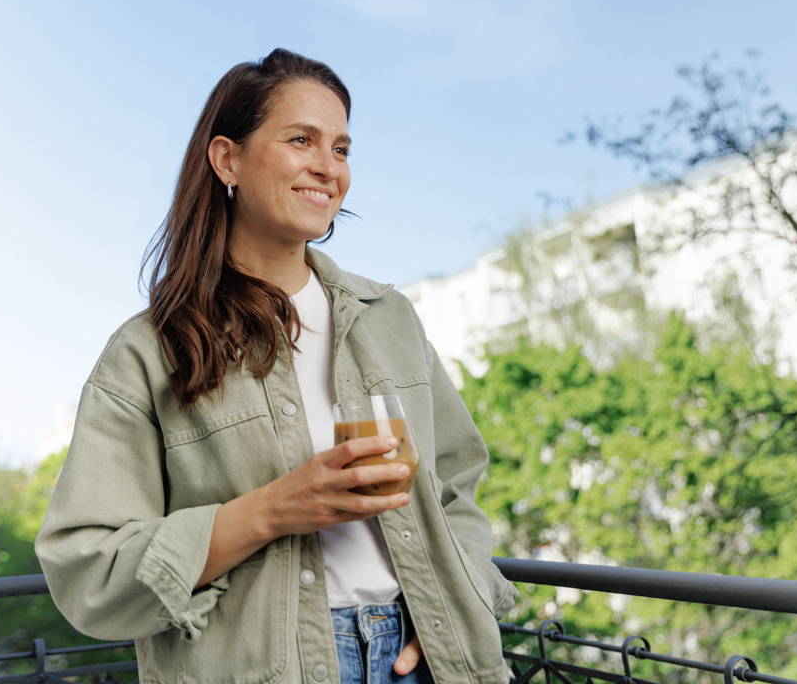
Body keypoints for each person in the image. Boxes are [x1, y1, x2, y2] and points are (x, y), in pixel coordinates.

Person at [36, 49, 517, 683]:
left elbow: (455, 487)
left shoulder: (388, 317)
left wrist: (458, 609)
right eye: (301, 140)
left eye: (342, 149)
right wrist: (271, 510)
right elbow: (88, 570)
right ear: (226, 158)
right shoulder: (148, 352)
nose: (329, 168)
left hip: (418, 657)